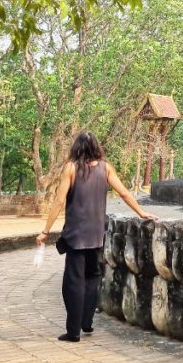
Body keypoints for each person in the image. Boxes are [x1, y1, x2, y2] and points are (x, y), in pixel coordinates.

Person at [36, 130, 157, 342]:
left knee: (73, 283)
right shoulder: (105, 168)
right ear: (96, 148)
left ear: (77, 147)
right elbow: (124, 193)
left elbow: (59, 201)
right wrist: (141, 212)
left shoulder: (71, 168)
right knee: (92, 278)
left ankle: (73, 331)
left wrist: (46, 230)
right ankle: (87, 322)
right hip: (96, 234)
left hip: (75, 235)